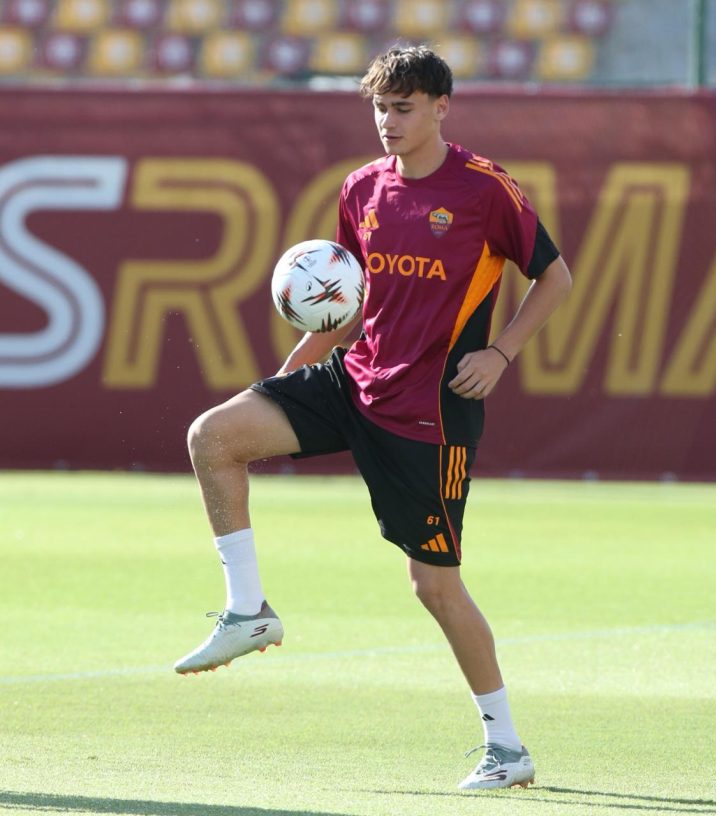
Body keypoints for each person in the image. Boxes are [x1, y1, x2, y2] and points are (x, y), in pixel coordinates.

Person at [174, 45, 572, 791]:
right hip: (354, 380)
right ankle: (247, 609)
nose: (388, 121)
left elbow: (555, 275)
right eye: (380, 107)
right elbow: (345, 307)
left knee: (435, 588)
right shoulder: (361, 190)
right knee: (214, 435)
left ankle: (508, 748)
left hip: (432, 414)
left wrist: (504, 354)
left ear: (441, 107)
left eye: (404, 107)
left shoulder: (485, 190)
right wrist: (287, 379)